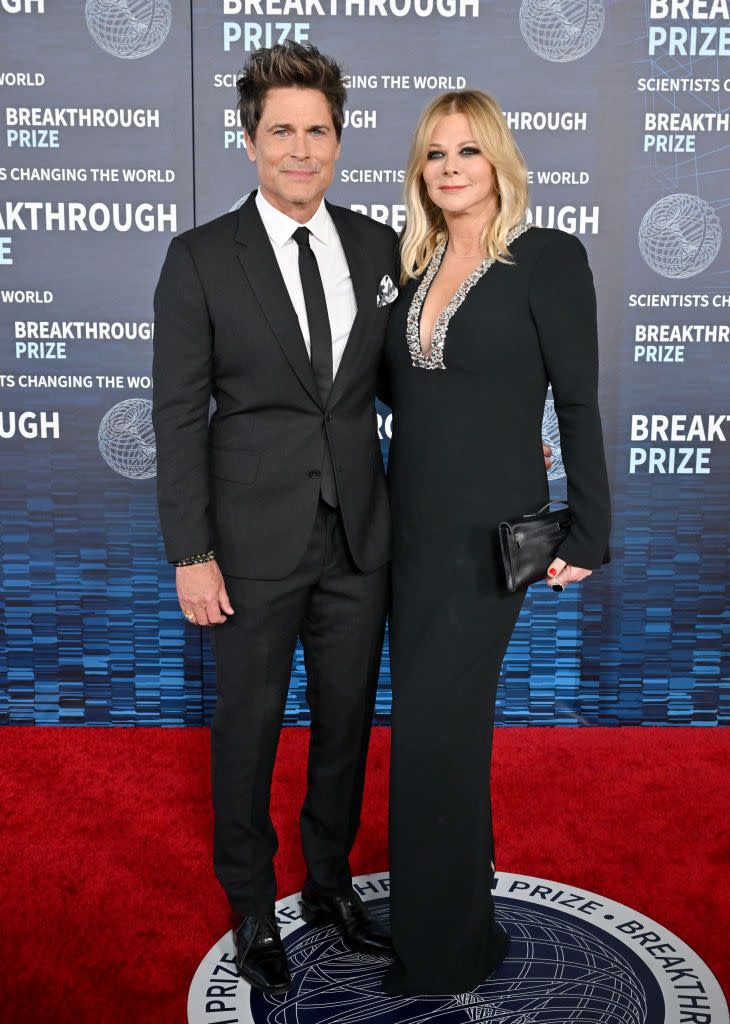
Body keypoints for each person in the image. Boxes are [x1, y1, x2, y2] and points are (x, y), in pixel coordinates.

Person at [152, 44, 553, 996]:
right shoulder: (200, 257)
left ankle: (328, 884)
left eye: (318, 131)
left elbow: (420, 373)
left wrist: (509, 439)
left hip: (362, 538)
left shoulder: (382, 247)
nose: (301, 150)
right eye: (281, 131)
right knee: (246, 729)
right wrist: (192, 553)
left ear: (339, 141)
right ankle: (252, 907)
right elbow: (177, 415)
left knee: (344, 727)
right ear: (249, 141)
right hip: (246, 548)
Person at [380, 90, 612, 996]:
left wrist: (589, 526)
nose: (449, 168)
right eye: (434, 154)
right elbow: (415, 392)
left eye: (467, 152)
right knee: (430, 732)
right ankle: (447, 929)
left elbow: (581, 400)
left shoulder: (548, 259)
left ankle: (442, 952)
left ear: (499, 162)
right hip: (410, 529)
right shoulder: (413, 262)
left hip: (489, 537)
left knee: (440, 729)